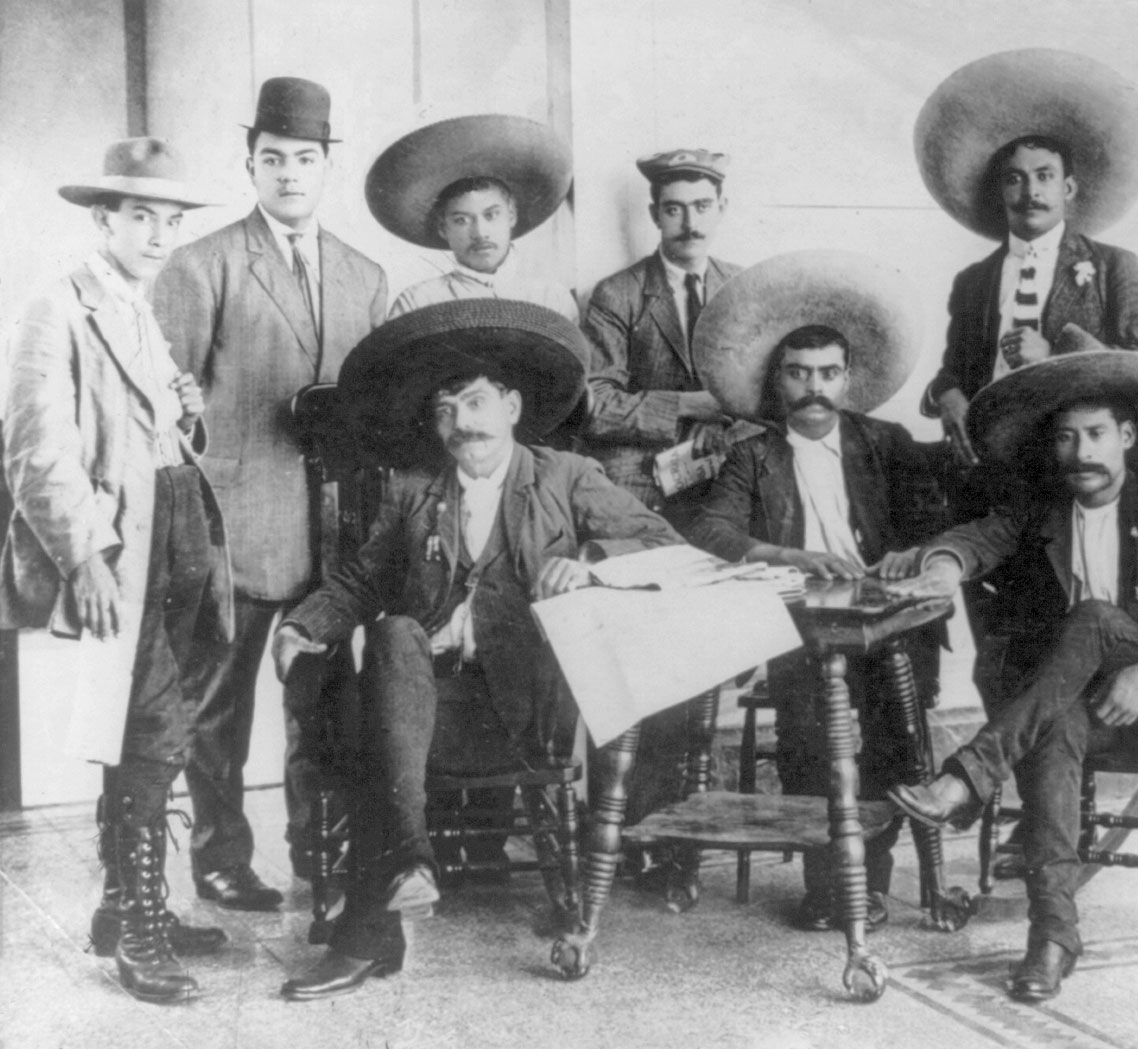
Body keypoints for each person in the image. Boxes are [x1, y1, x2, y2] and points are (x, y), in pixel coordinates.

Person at [268, 298, 682, 999]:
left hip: (523, 709)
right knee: (395, 634)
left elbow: (664, 545)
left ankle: (369, 930)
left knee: (372, 729)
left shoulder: (565, 476)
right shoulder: (413, 491)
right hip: (425, 706)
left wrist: (591, 563)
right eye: (446, 409)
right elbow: (360, 579)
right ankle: (406, 871)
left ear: (514, 406)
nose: (465, 423)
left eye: (478, 402)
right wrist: (302, 626)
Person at [882, 350, 1138, 1003]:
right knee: (1054, 733)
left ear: (1128, 437)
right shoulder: (1042, 505)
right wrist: (943, 564)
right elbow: (979, 537)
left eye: (1095, 434)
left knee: (1089, 618)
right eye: (1064, 436)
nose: (1079, 451)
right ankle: (1053, 938)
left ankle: (970, 772)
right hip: (1064, 701)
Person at [1, 139, 234, 1002]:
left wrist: (186, 415)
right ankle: (139, 923)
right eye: (143, 217)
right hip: (120, 546)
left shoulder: (140, 306)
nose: (160, 235)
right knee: (148, 725)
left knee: (158, 721)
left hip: (175, 526)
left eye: (171, 221)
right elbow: (35, 450)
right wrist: (85, 557)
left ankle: (122, 902)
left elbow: (148, 426)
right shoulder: (54, 308)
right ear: (104, 219)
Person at [153, 77, 389, 910]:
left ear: (329, 164)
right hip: (233, 530)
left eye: (305, 158)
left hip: (332, 536)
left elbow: (378, 409)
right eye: (273, 158)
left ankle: (319, 862)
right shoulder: (201, 264)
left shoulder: (366, 275)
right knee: (218, 709)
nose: (290, 173)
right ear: (250, 163)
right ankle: (219, 859)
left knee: (321, 711)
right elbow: (163, 413)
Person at [688, 252, 945, 931]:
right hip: (806, 624)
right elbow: (712, 527)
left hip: (890, 621)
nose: (814, 388)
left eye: (828, 373)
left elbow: (932, 520)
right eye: (799, 374)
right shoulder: (756, 453)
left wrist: (904, 555)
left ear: (848, 378)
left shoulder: (886, 443)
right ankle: (828, 883)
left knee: (890, 739)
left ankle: (873, 881)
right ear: (777, 381)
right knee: (808, 740)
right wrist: (788, 554)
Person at [578, 148, 743, 852]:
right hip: (640, 498)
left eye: (701, 206)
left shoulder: (745, 291)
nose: (688, 221)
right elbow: (595, 403)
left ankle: (680, 834)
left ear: (721, 208)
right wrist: (693, 405)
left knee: (700, 662)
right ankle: (621, 830)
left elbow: (766, 395)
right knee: (631, 664)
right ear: (654, 215)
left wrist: (731, 425)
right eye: (673, 207)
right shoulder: (618, 296)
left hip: (722, 494)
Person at [914, 49, 1138, 474]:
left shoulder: (1113, 267)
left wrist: (1057, 356)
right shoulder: (974, 281)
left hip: (1075, 467)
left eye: (1044, 176)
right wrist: (947, 394)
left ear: (1068, 188)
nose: (1030, 190)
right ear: (1001, 191)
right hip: (988, 465)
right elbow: (953, 370)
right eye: (1014, 178)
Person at [368, 114, 577, 320]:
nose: (480, 233)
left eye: (491, 215)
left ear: (511, 216)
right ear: (443, 228)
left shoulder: (551, 298)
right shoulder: (417, 303)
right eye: (461, 220)